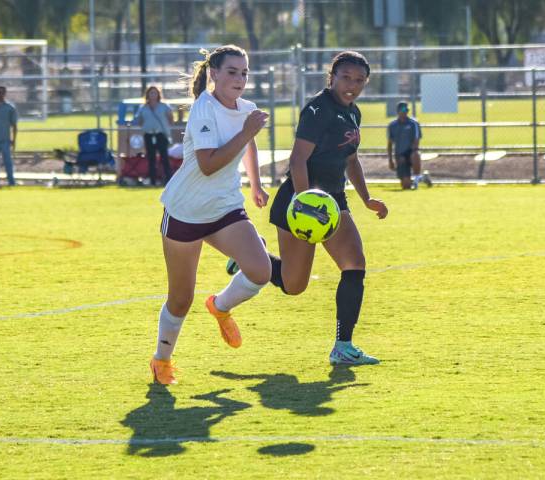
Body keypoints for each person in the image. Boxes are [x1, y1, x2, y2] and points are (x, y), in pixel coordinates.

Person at [231, 51, 388, 366]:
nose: (352, 85)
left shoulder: (353, 113)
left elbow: (350, 159)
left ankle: (343, 346)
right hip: (301, 201)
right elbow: (297, 159)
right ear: (331, 77)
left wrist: (366, 198)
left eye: (359, 80)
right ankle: (252, 256)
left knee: (355, 265)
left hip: (333, 202)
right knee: (294, 285)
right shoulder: (318, 110)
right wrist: (304, 201)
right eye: (346, 77)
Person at [150, 45, 272, 385]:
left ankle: (220, 306)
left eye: (244, 72)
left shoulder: (245, 109)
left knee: (261, 271)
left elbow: (248, 145)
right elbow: (207, 165)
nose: (240, 78)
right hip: (185, 212)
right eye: (232, 71)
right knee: (180, 298)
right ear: (214, 74)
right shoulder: (203, 108)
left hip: (224, 208)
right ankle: (162, 360)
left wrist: (255, 185)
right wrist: (248, 131)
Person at [133, 85, 175, 185]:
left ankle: (169, 181)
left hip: (161, 134)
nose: (153, 95)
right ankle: (152, 181)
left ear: (158, 94)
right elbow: (139, 121)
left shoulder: (164, 106)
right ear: (147, 94)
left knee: (164, 158)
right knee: (151, 159)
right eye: (151, 93)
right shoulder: (143, 107)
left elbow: (171, 119)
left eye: (155, 93)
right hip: (149, 135)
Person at [387, 101, 431, 190]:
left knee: (416, 154)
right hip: (399, 155)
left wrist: (412, 153)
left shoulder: (413, 123)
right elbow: (390, 143)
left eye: (407, 109)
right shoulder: (392, 125)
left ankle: (416, 178)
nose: (405, 111)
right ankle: (423, 178)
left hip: (411, 152)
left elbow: (416, 140)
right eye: (403, 109)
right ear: (398, 111)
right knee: (406, 186)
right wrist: (391, 160)